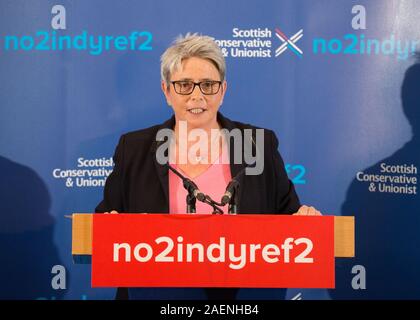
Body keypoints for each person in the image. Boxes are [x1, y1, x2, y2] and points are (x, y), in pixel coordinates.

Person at [95, 33, 321, 300]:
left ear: (223, 91)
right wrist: (111, 227)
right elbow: (105, 224)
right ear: (166, 91)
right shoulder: (134, 150)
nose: (197, 95)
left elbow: (288, 222)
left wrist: (305, 223)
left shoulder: (257, 145)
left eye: (208, 85)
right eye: (185, 85)